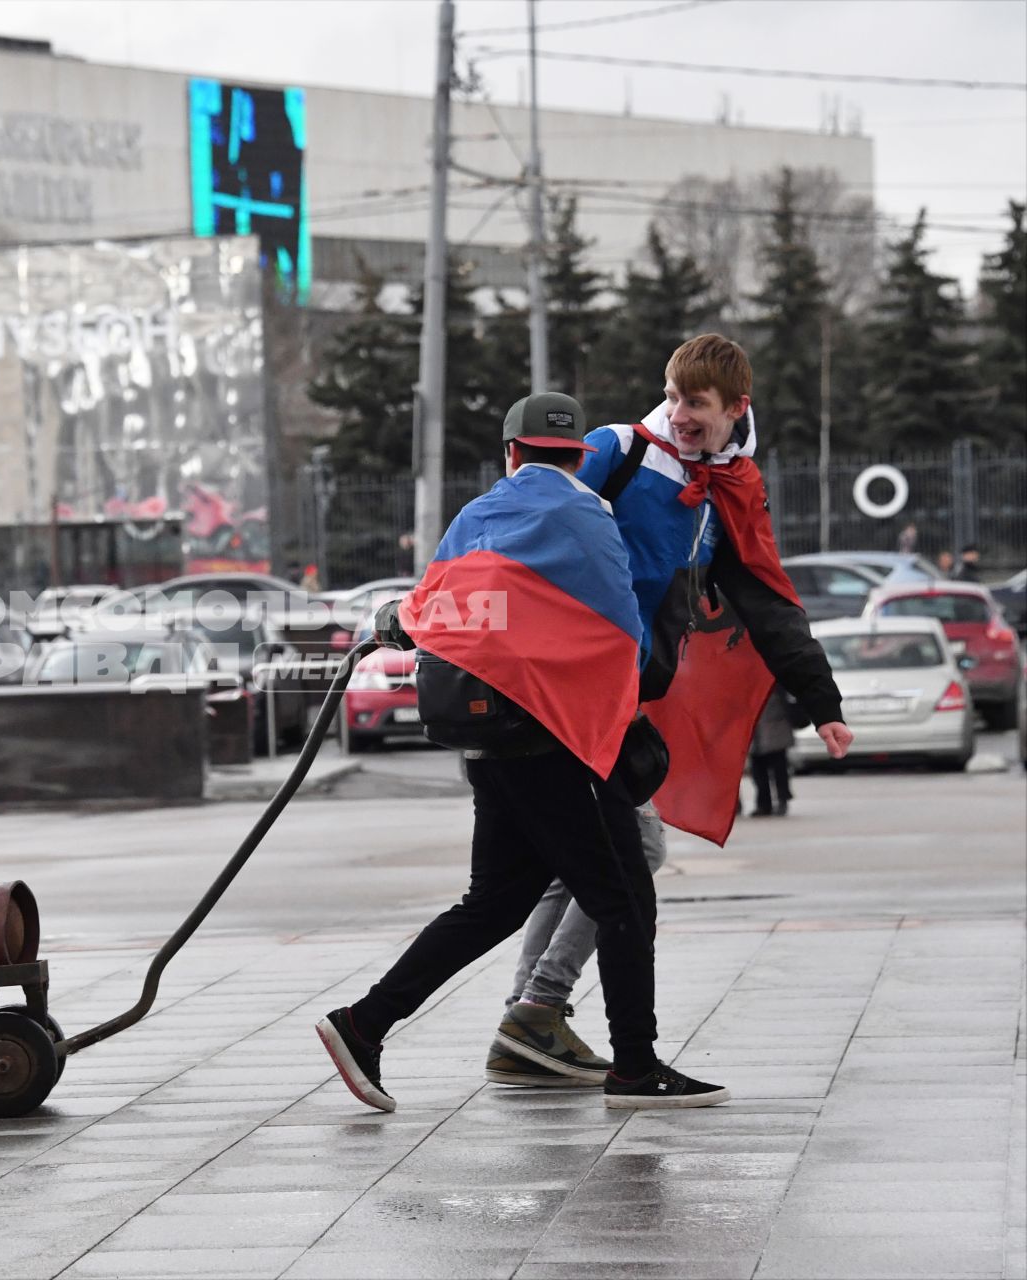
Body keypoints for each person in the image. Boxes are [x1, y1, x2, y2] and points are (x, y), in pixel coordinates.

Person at [317, 392, 730, 1113]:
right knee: (624, 896)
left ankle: (364, 1023)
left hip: (486, 738)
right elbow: (622, 633)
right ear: (579, 458)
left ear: (511, 454)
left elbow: (434, 608)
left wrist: (398, 620)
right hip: (554, 741)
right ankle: (636, 1067)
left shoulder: (476, 516)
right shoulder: (587, 516)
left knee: (494, 902)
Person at [489, 335, 852, 1088]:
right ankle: (533, 1010)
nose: (682, 415)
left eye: (699, 404)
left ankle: (527, 1021)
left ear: (736, 409)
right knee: (631, 853)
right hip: (564, 688)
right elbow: (516, 512)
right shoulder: (618, 450)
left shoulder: (728, 492)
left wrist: (821, 701)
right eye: (674, 397)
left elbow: (768, 598)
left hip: (614, 694)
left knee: (572, 863)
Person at [748, 691, 795, 817]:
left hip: (776, 727)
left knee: (779, 769)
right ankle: (763, 804)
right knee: (758, 771)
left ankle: (782, 800)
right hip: (755, 730)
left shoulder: (777, 680)